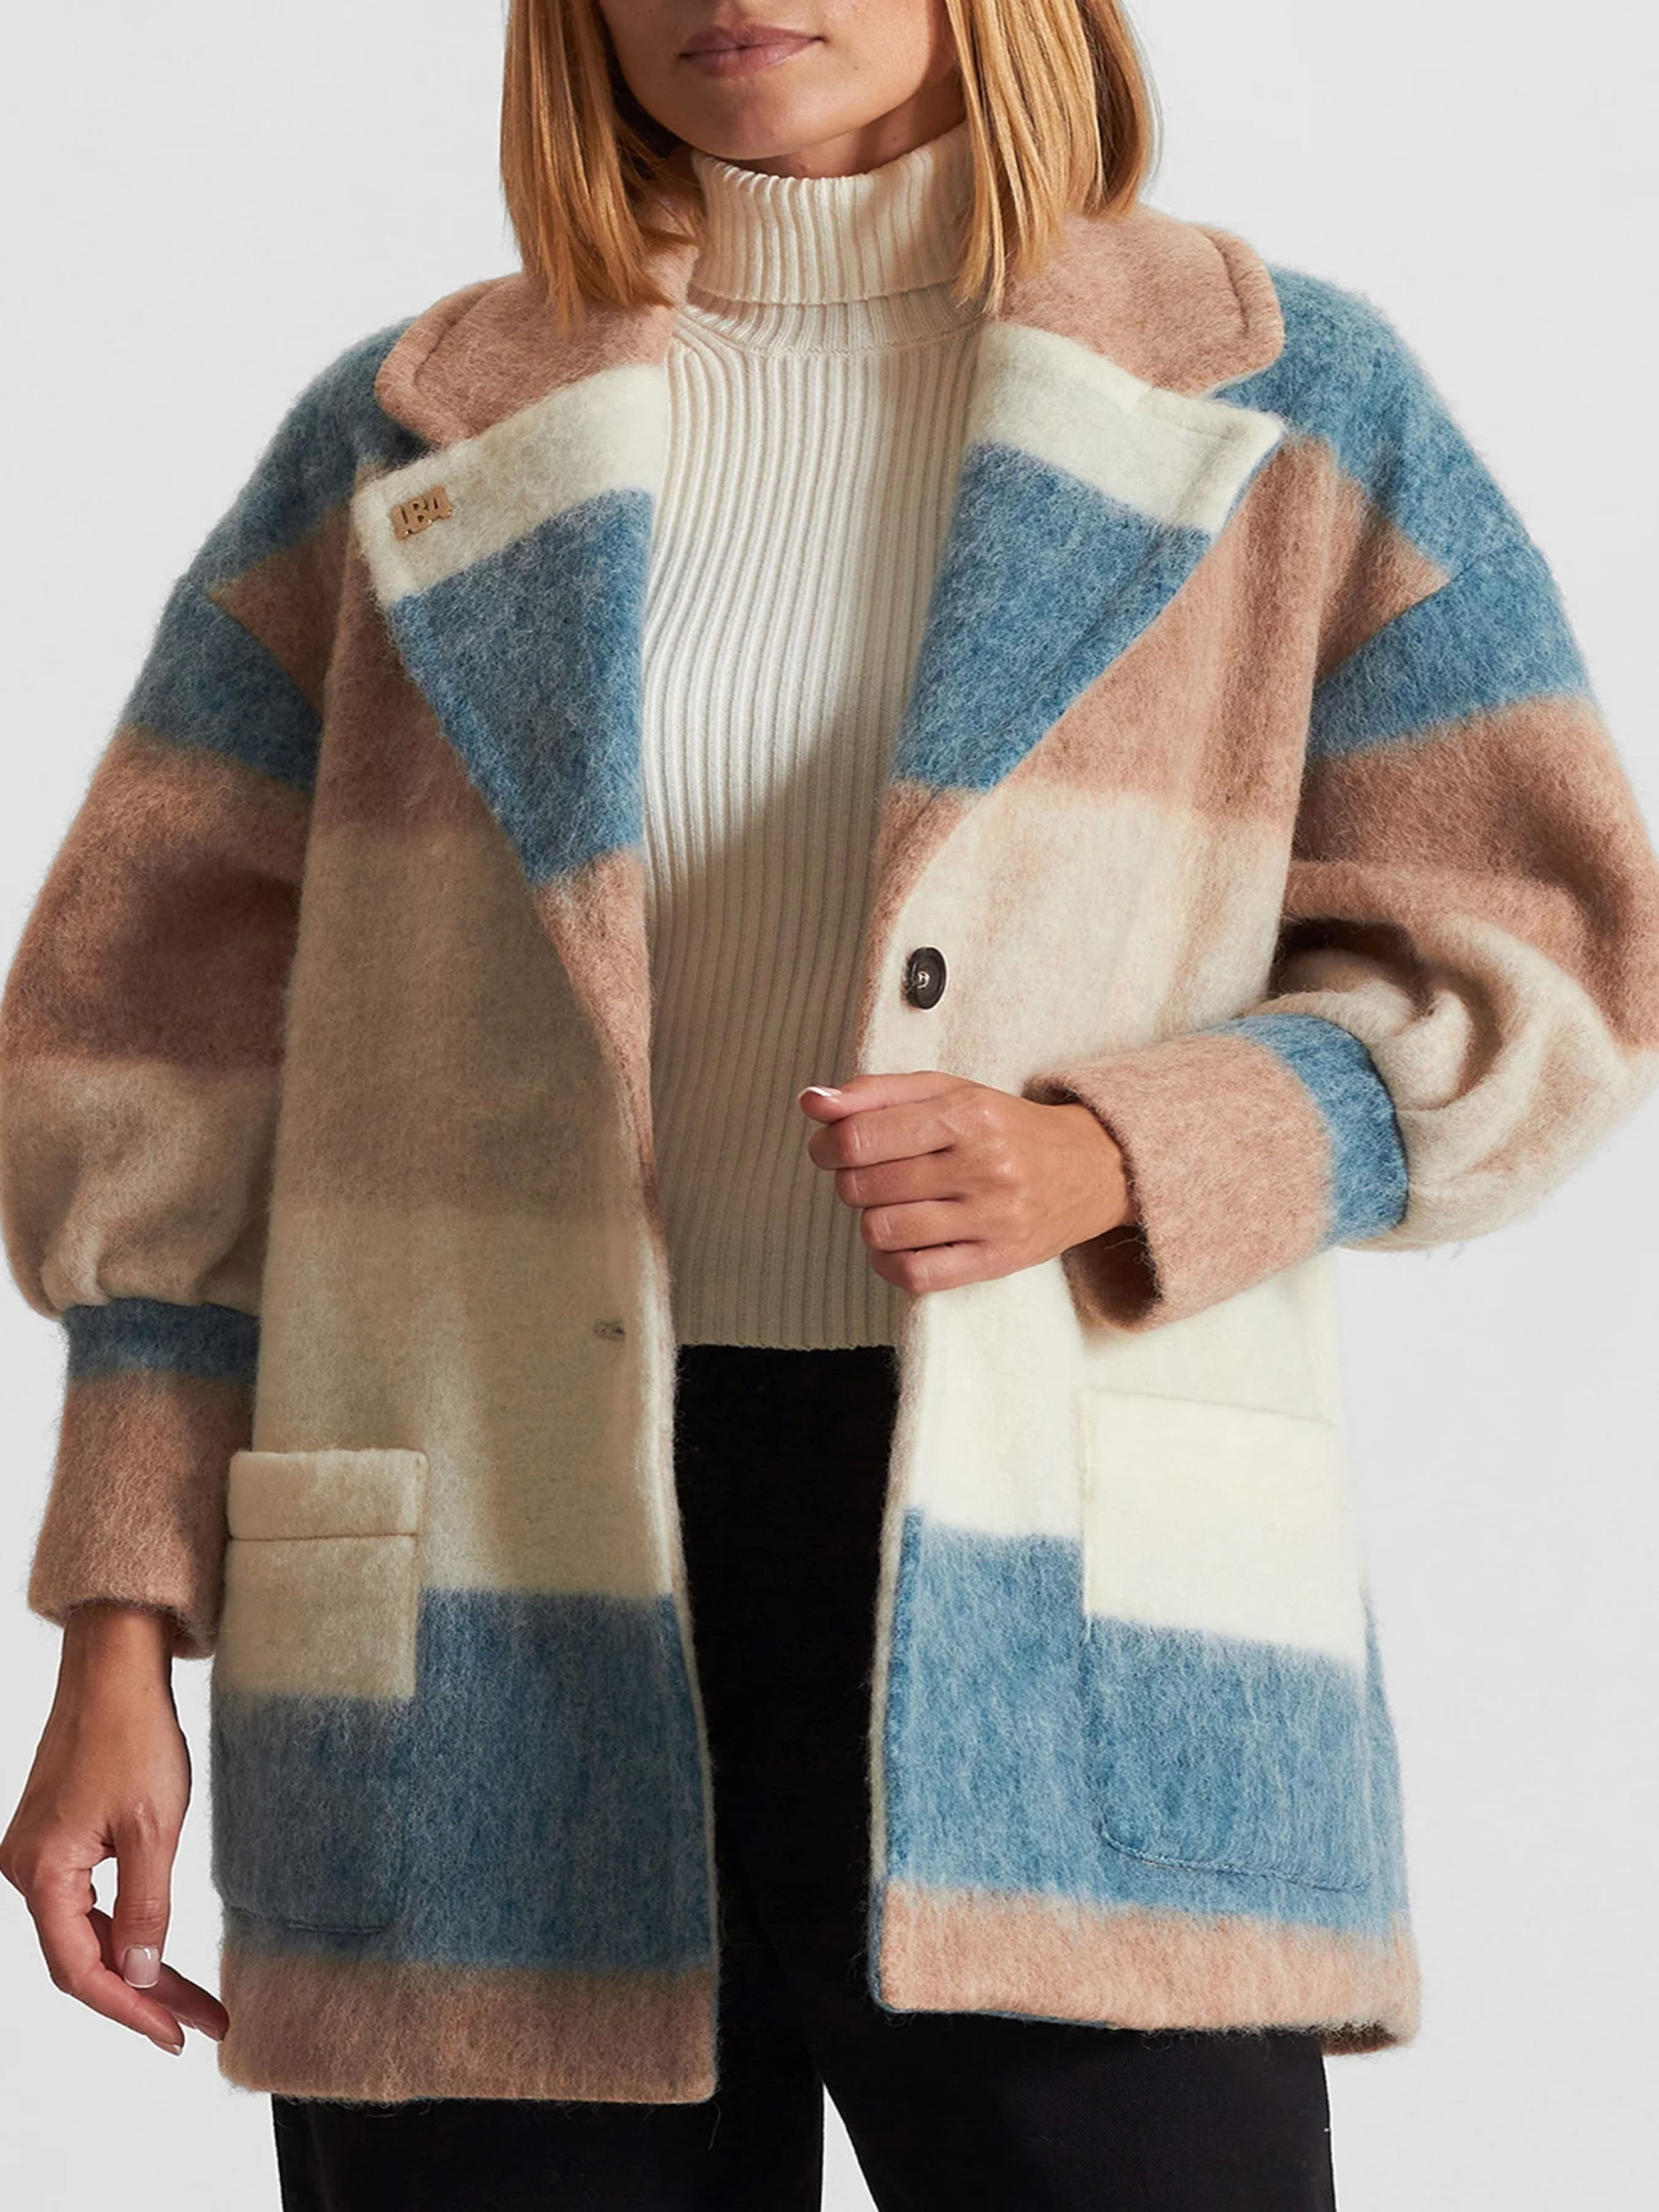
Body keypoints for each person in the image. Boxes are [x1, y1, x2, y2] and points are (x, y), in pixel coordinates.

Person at [3, 2, 1657, 2207]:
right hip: (481, 1609)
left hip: (1067, 1623)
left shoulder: (1281, 404)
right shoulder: (401, 440)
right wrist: (118, 1628)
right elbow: (153, 1053)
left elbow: (1544, 957)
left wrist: (1130, 1151)